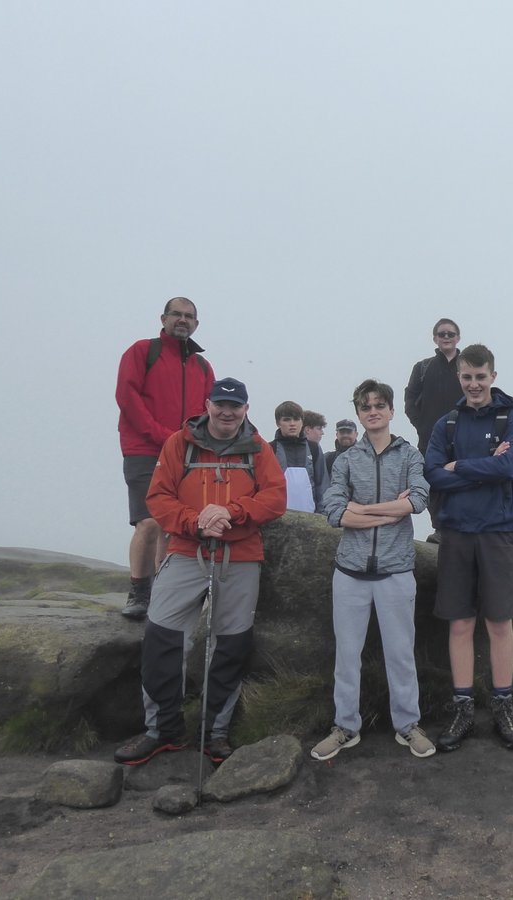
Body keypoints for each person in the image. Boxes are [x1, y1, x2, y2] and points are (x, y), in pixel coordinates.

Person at [114, 378, 287, 765]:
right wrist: (195, 523)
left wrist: (230, 512)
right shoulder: (179, 444)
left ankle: (215, 734)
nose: (227, 412)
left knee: (230, 645)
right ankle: (164, 730)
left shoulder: (258, 448)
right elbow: (158, 496)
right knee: (162, 638)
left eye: (235, 406)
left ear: (246, 408)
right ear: (208, 404)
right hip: (186, 551)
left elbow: (275, 498)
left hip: (240, 557)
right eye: (221, 404)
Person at [310, 380, 435, 761]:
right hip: (349, 572)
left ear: (391, 410)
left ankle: (407, 725)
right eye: (365, 406)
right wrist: (384, 511)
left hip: (396, 571)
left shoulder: (410, 455)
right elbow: (334, 511)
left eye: (379, 405)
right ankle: (346, 726)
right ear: (360, 413)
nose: (373, 411)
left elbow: (417, 500)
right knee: (347, 655)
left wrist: (360, 510)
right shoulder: (346, 460)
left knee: (401, 654)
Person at [423, 343, 513, 751]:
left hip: (498, 532)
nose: (474, 384)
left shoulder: (511, 420)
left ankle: (503, 705)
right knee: (461, 623)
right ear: (460, 377)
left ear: (493, 377)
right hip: (456, 533)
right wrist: (484, 468)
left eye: (481, 377)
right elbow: (433, 474)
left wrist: (459, 467)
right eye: (467, 377)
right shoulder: (446, 425)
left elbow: (510, 467)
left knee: (499, 622)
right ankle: (463, 707)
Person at [115, 297, 215, 620]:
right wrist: (163, 435)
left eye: (189, 316)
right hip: (143, 449)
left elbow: (209, 413)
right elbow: (127, 397)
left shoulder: (202, 366)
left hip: (185, 453)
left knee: (171, 526)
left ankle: (160, 591)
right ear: (163, 318)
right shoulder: (142, 352)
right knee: (148, 522)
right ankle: (138, 589)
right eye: (177, 314)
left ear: (196, 324)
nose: (182, 320)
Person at [404, 318, 463, 538]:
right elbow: (410, 398)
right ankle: (440, 528)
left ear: (458, 337)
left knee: (461, 479)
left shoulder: (466, 366)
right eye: (441, 334)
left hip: (463, 436)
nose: (446, 337)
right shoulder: (423, 367)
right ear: (435, 338)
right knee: (433, 482)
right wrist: (420, 424)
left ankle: (457, 528)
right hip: (430, 438)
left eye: (450, 334)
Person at [269, 400, 329, 512]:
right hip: (279, 519)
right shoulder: (270, 449)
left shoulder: (314, 449)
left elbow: (322, 485)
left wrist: (323, 514)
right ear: (278, 423)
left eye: (296, 419)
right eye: (286, 420)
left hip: (311, 519)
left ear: (302, 422)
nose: (292, 423)